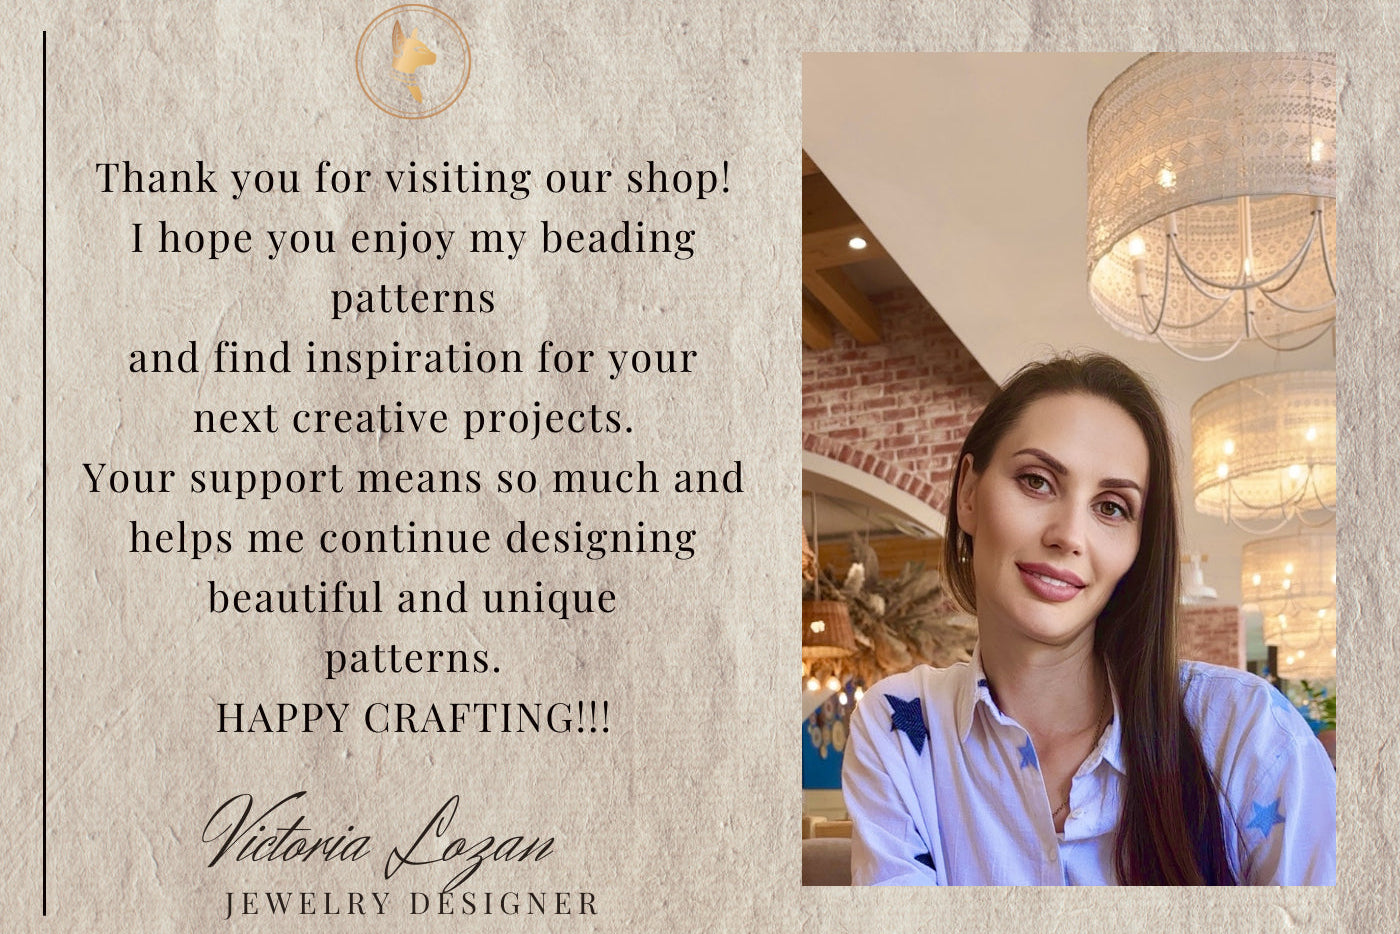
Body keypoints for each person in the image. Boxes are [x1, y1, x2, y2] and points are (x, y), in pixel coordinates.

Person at [842, 353, 1336, 885]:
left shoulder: (1249, 735)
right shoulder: (897, 726)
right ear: (968, 493)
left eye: (1112, 507)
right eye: (1036, 481)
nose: (1069, 536)